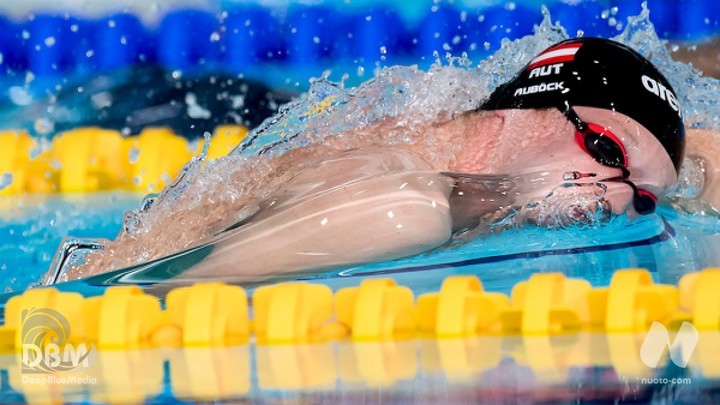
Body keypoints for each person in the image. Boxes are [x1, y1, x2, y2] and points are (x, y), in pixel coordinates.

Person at [55, 37, 720, 283]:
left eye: (643, 197)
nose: (614, 196)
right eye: (604, 152)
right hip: (172, 101)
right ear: (520, 108)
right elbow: (134, 294)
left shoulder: (449, 145)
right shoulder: (403, 209)